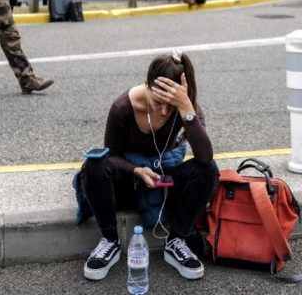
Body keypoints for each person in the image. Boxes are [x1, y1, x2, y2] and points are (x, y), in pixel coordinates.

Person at [76, 51, 218, 281]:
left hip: (163, 183)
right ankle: (110, 241)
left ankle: (176, 240)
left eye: (170, 106)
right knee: (94, 165)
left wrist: (185, 109)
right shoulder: (123, 107)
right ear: (146, 85)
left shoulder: (185, 106)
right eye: (158, 103)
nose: (163, 112)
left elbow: (204, 156)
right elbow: (111, 155)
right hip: (130, 182)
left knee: (208, 170)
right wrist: (137, 171)